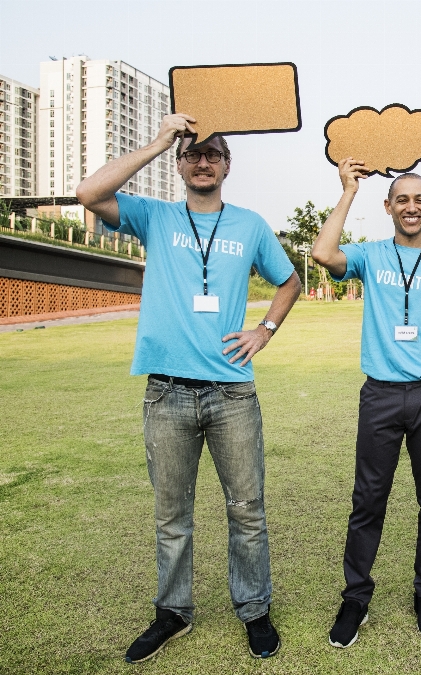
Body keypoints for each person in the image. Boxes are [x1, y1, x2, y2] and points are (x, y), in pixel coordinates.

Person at [76, 113, 300, 663]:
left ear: (228, 165)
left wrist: (264, 329)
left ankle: (254, 609)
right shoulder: (154, 217)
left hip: (231, 394)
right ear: (179, 164)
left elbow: (289, 280)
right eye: (192, 153)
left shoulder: (249, 225)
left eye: (214, 153)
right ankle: (172, 613)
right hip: (166, 392)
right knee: (171, 516)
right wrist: (157, 140)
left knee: (247, 508)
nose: (203, 161)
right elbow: (87, 191)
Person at [312, 158, 421, 648]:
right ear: (388, 207)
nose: (411, 207)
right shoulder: (370, 255)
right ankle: (356, 597)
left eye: (420, 199)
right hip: (381, 394)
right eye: (402, 200)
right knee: (368, 500)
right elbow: (323, 252)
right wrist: (347, 192)